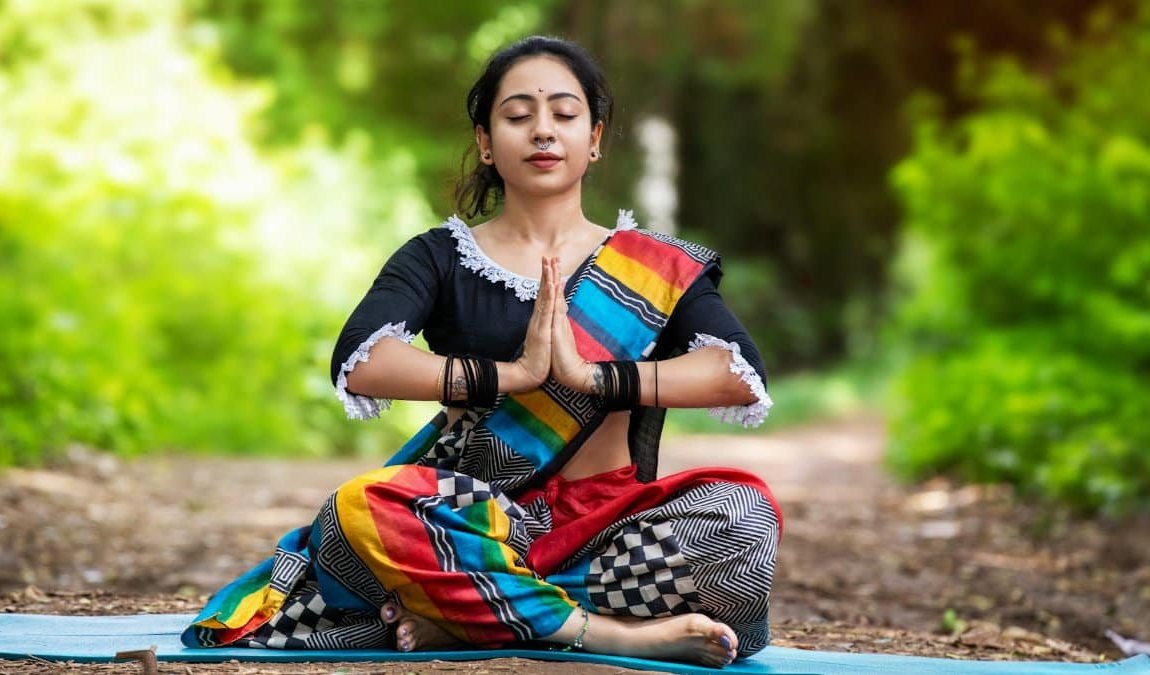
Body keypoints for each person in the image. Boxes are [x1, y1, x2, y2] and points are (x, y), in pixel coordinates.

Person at [183, 35, 780, 669]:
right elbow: (362, 359)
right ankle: (604, 633)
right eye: (519, 116)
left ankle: (472, 613)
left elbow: (736, 374)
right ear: (486, 143)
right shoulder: (440, 256)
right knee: (362, 508)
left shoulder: (655, 265)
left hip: (603, 530)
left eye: (565, 114)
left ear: (596, 138)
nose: (543, 131)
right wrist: (512, 375)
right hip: (469, 515)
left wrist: (593, 378)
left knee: (745, 521)